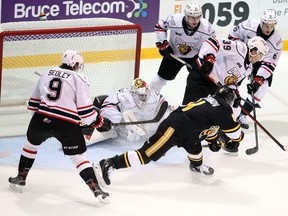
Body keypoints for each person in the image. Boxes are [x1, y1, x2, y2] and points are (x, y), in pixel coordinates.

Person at [8, 50, 111, 203]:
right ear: (76, 64)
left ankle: (20, 177)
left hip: (40, 119)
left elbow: (33, 104)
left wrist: (39, 122)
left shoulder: (47, 72)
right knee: (78, 157)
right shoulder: (78, 77)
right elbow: (85, 111)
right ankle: (96, 189)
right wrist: (99, 122)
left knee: (30, 144)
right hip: (66, 125)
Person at [94, 85, 244, 187]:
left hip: (188, 130)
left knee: (194, 145)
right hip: (175, 128)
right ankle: (110, 163)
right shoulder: (222, 109)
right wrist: (237, 138)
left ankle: (196, 166)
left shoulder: (211, 102)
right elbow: (235, 135)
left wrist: (213, 141)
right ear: (229, 100)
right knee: (145, 155)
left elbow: (209, 126)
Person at [228, 9, 283, 129]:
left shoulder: (277, 41)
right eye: (266, 25)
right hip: (244, 56)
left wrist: (258, 79)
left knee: (262, 88)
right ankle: (226, 112)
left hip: (261, 60)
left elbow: (270, 63)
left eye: (271, 26)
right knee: (231, 83)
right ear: (261, 22)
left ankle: (243, 114)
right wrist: (240, 52)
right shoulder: (248, 25)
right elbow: (232, 36)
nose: (268, 29)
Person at [149, 1, 216, 92]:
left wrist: (208, 57)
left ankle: (197, 104)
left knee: (200, 82)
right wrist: (163, 44)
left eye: (198, 17)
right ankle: (151, 98)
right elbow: (160, 26)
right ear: (186, 15)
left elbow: (212, 43)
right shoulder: (174, 20)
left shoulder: (207, 27)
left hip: (195, 57)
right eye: (192, 17)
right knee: (160, 79)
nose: (195, 21)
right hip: (174, 55)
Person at [85, 78, 168, 146]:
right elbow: (105, 109)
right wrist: (123, 124)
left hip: (141, 125)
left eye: (146, 95)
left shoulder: (152, 95)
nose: (144, 98)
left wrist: (156, 119)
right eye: (141, 95)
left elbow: (164, 102)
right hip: (118, 128)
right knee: (106, 133)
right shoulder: (123, 96)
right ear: (133, 94)